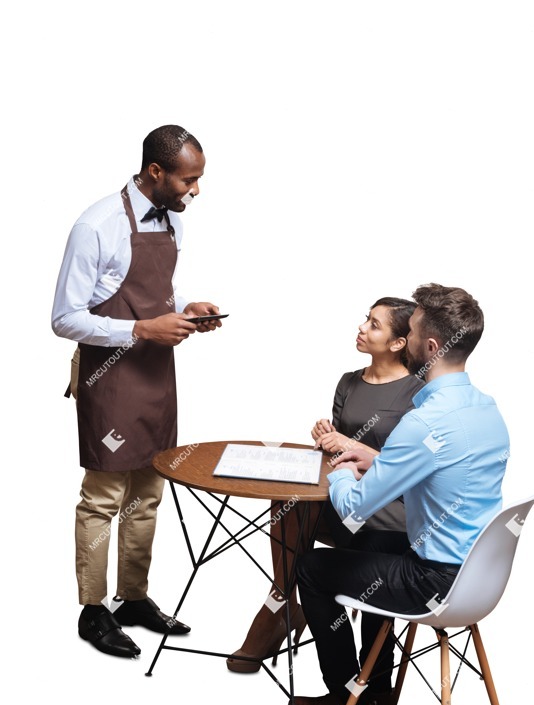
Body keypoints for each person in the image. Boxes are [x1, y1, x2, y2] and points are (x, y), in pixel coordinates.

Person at [294, 283, 509, 705]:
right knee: (376, 542)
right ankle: (377, 691)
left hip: (434, 581)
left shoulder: (423, 421)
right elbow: (445, 472)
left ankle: (344, 701)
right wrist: (378, 460)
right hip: (480, 577)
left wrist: (337, 466)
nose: (403, 340)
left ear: (429, 346)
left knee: (312, 567)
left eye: (408, 332)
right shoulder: (485, 409)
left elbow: (353, 506)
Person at [52, 124, 222, 658]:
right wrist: (141, 330)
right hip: (111, 379)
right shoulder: (96, 224)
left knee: (148, 494)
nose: (195, 191)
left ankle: (134, 597)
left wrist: (186, 311)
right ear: (156, 172)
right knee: (103, 500)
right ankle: (93, 608)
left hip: (156, 377)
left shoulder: (170, 218)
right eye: (188, 181)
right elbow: (64, 318)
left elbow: (156, 292)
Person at [226, 297, 422, 675]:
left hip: (390, 512)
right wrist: (327, 437)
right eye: (366, 319)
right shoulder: (349, 382)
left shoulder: (418, 393)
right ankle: (281, 602)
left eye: (375, 324)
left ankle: (365, 681)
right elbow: (335, 458)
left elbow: (411, 468)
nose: (362, 328)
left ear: (399, 343)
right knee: (288, 504)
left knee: (360, 549)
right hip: (345, 499)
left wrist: (351, 445)